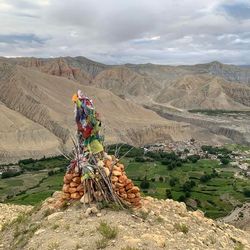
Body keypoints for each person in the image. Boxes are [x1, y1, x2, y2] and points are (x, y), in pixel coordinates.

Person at [72, 90, 103, 156]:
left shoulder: (89, 112)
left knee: (90, 142)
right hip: (87, 129)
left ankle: (94, 154)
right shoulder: (88, 112)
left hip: (88, 129)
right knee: (89, 141)